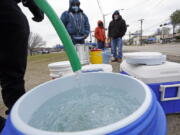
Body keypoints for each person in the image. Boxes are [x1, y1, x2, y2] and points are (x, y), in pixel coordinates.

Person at [0, 0, 44, 132]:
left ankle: (16, 127)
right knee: (12, 80)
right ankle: (18, 128)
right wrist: (34, 6)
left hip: (8, 17)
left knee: (12, 80)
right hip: (8, 17)